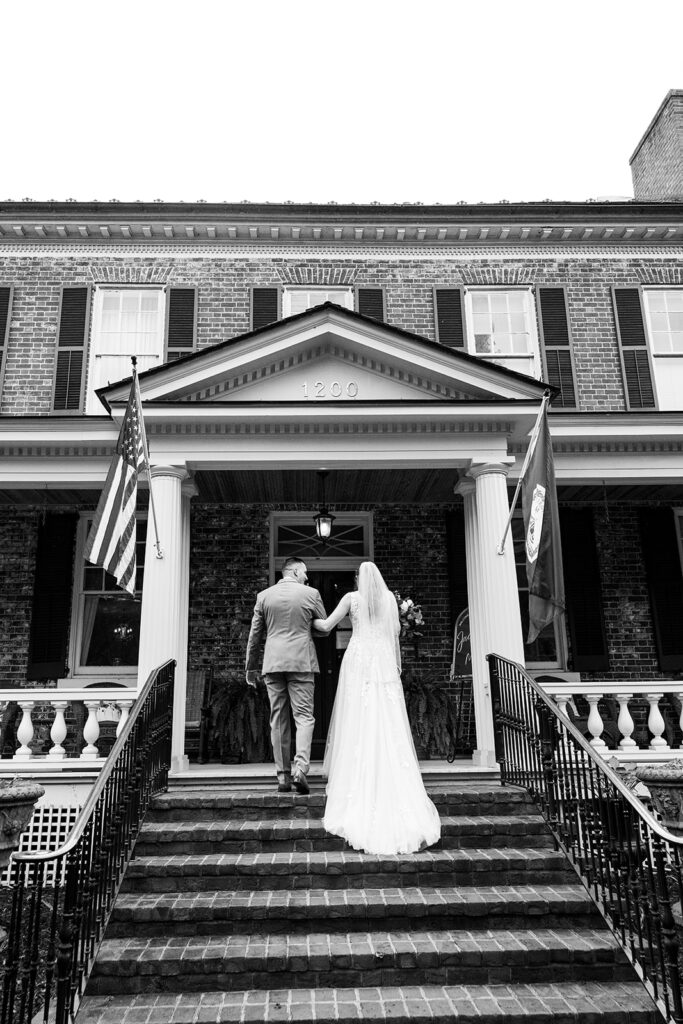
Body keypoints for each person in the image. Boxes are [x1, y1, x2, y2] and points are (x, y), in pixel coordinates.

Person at [313, 561, 440, 855]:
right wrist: (395, 669)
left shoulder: (350, 599)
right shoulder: (389, 601)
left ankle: (358, 780)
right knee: (387, 718)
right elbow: (395, 638)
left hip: (359, 661)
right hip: (382, 663)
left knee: (357, 716)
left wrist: (307, 615)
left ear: (360, 579)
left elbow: (326, 626)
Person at [245, 557, 326, 794]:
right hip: (301, 660)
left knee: (278, 718)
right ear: (296, 570)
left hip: (273, 662)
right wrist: (305, 630)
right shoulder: (311, 593)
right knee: (304, 717)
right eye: (305, 573)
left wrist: (250, 667)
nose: (307, 577)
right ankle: (301, 770)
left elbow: (254, 635)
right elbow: (322, 626)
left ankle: (283, 777)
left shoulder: (264, 596)